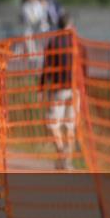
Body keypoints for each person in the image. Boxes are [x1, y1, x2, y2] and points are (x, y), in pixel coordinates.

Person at [40, 13, 77, 170]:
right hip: (75, 89)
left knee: (52, 123)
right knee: (70, 126)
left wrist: (42, 87)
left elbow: (47, 67)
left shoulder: (54, 42)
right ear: (70, 25)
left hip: (58, 88)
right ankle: (66, 162)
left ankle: (62, 153)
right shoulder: (76, 42)